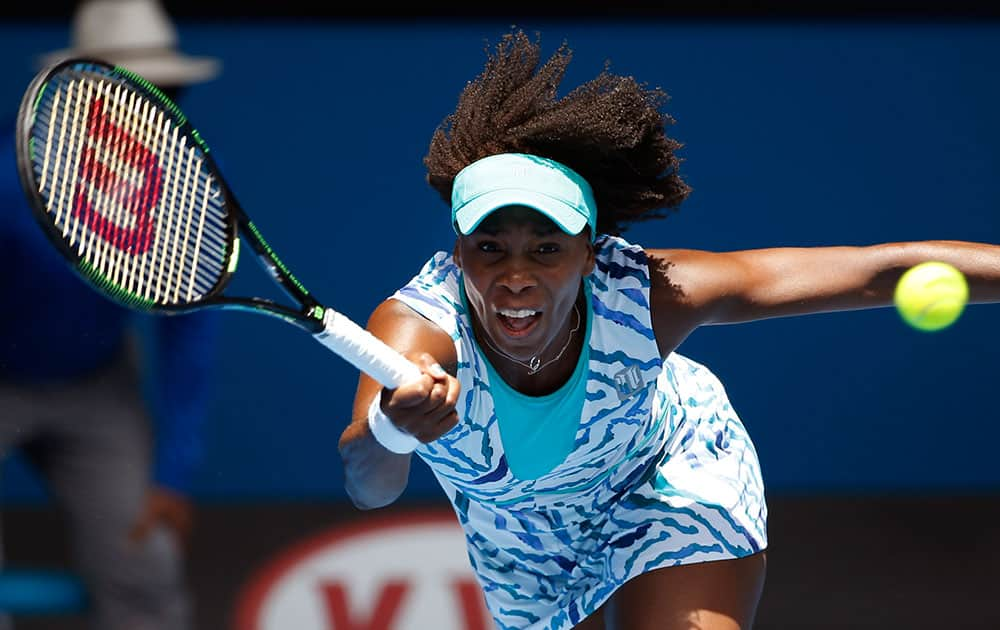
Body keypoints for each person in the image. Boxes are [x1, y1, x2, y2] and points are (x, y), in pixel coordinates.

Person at [337, 27, 1000, 630]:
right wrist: (394, 428)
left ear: (590, 252)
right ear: (457, 253)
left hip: (663, 473)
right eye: (489, 247)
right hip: (518, 538)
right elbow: (369, 486)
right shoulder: (417, 331)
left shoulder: (647, 295)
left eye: (546, 248)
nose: (516, 274)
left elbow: (872, 274)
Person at [0, 1, 221, 629]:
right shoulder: (7, 181)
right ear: (81, 93)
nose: (152, 106)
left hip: (98, 385)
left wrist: (172, 474)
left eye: (166, 89)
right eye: (133, 87)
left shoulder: (192, 183)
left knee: (145, 563)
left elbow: (190, 326)